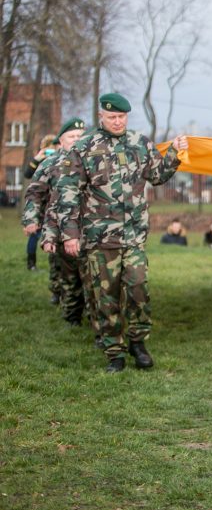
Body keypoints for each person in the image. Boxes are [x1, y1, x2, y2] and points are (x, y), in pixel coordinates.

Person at [57, 93, 188, 372]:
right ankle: (114, 352)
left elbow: (157, 175)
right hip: (100, 239)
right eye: (112, 117)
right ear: (101, 116)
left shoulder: (140, 143)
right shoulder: (84, 148)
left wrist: (174, 153)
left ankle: (138, 342)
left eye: (122, 117)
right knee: (106, 298)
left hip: (134, 236)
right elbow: (67, 193)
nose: (118, 122)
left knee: (138, 288)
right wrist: (70, 234)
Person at [22, 119, 86, 325]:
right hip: (60, 228)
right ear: (61, 140)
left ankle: (97, 319)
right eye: (71, 137)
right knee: (69, 277)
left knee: (95, 278)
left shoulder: (93, 162)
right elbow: (34, 193)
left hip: (92, 230)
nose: (76, 141)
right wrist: (31, 219)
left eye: (80, 136)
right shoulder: (50, 164)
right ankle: (72, 316)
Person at [23, 134, 58, 276]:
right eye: (47, 150)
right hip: (40, 205)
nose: (50, 152)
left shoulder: (60, 159)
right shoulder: (40, 160)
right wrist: (37, 159)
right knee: (34, 235)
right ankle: (31, 264)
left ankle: (55, 269)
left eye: (52, 149)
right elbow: (27, 174)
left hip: (54, 203)